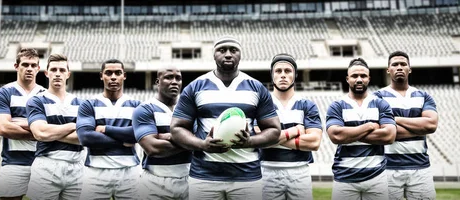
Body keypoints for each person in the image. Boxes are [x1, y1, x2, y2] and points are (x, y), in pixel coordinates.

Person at [170, 36, 281, 200]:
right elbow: (176, 128)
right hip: (204, 177)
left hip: (247, 177)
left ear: (240, 55)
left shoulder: (257, 88)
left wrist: (250, 141)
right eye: (222, 50)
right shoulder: (195, 86)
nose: (228, 54)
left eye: (233, 50)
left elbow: (274, 130)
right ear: (214, 55)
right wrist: (202, 144)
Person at [326, 58, 397, 200]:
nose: (359, 79)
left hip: (376, 177)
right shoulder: (337, 105)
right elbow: (336, 136)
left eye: (363, 76)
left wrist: (349, 132)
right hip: (344, 178)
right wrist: (369, 126)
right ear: (347, 79)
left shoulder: (381, 104)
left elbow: (389, 136)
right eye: (354, 76)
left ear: (369, 79)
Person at [373, 51, 438, 200]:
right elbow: (381, 131)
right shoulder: (378, 97)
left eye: (403, 64)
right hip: (387, 168)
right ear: (388, 70)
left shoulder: (423, 96)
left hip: (420, 168)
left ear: (410, 68)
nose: (399, 67)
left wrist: (394, 119)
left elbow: (430, 125)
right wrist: (419, 128)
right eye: (395, 64)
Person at [259, 54, 323, 200]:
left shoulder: (307, 105)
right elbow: (259, 139)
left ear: (295, 75)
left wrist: (271, 138)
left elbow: (314, 142)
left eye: (287, 71)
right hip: (268, 171)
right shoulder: (263, 105)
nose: (283, 75)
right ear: (272, 75)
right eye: (278, 71)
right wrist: (293, 131)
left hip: (299, 171)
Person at [75, 59, 141, 199]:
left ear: (124, 75)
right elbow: (86, 137)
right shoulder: (89, 104)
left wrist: (106, 129)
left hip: (129, 172)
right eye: (108, 73)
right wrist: (123, 140)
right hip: (95, 172)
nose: (113, 77)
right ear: (101, 76)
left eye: (118, 73)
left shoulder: (136, 105)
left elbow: (138, 135)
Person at [25, 54, 83, 200]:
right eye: (54, 69)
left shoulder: (81, 104)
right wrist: (73, 125)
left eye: (62, 70)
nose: (58, 73)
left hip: (76, 166)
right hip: (46, 164)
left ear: (68, 74)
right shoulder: (36, 101)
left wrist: (52, 133)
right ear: (46, 73)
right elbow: (40, 133)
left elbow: (85, 137)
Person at [0, 48, 45, 200]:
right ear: (17, 66)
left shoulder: (45, 95)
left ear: (38, 68)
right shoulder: (4, 93)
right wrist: (38, 132)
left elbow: (49, 127)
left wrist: (16, 122)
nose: (29, 68)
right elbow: (3, 128)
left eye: (33, 65)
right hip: (13, 163)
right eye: (25, 64)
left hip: (43, 162)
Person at [133, 66, 192, 200]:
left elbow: (202, 139)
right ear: (157, 82)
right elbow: (153, 148)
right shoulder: (144, 109)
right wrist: (190, 140)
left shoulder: (190, 110)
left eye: (178, 78)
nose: (174, 81)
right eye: (168, 77)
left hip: (190, 179)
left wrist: (167, 137)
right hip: (155, 182)